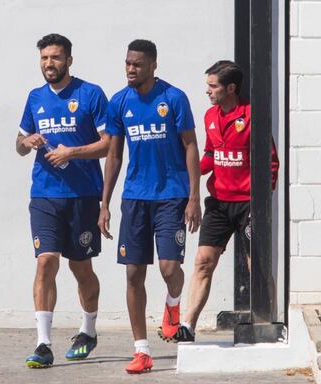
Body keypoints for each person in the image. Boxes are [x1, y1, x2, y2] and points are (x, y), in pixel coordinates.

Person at [98, 39, 201, 374]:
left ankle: (173, 306)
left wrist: (194, 196)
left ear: (153, 66)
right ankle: (141, 350)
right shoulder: (119, 102)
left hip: (172, 196)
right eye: (127, 63)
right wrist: (105, 204)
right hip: (135, 198)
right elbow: (114, 155)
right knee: (132, 273)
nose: (131, 69)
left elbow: (190, 147)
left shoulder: (173, 98)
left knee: (170, 269)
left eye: (137, 64)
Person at [158, 60, 279, 343]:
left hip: (249, 204)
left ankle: (267, 322)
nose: (208, 91)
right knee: (203, 261)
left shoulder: (252, 115)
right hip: (219, 204)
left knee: (256, 264)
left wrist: (263, 202)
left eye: (213, 86)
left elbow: (270, 163)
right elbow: (211, 154)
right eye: (208, 86)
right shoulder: (211, 115)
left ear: (231, 88)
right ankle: (187, 326)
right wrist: (188, 173)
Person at [16, 33, 109, 368]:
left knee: (80, 267)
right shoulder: (35, 97)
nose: (48, 64)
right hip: (44, 195)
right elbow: (18, 142)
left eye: (55, 58)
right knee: (45, 261)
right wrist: (28, 141)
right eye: (44, 58)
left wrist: (73, 152)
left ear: (69, 60)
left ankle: (88, 330)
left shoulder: (90, 94)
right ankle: (43, 343)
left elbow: (108, 144)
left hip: (83, 195)